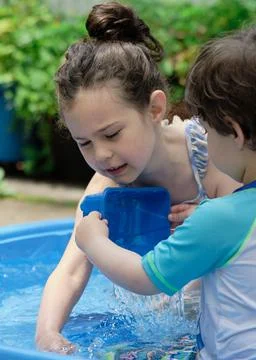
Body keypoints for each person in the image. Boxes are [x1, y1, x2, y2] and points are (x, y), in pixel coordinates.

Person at [35, 2, 240, 354]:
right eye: (84, 142)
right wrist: (47, 334)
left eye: (112, 134)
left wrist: (211, 221)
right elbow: (70, 270)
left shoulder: (208, 156)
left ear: (155, 108)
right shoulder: (106, 188)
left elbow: (246, 241)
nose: (101, 155)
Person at [75, 26, 256, 359]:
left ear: (233, 132)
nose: (197, 133)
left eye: (204, 125)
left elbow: (145, 278)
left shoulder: (221, 218)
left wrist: (92, 242)